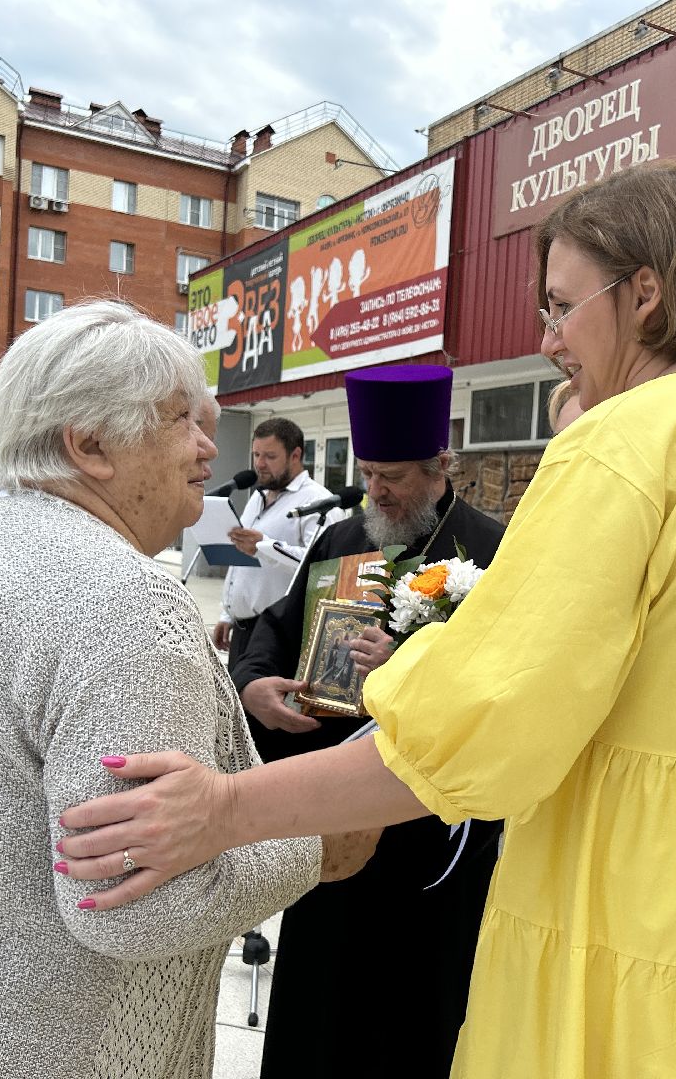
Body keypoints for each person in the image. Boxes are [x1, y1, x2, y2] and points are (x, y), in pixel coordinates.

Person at [58, 162, 676, 1077]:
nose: (550, 340)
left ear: (645, 292)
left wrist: (224, 807)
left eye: (560, 306)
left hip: (652, 914)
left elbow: (473, 735)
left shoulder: (629, 444)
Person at [0, 301, 377, 1079]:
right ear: (90, 445)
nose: (208, 450)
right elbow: (136, 906)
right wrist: (319, 843)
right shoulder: (122, 599)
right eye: (179, 421)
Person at [229, 364, 507, 1079]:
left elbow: (509, 680)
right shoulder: (340, 539)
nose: (376, 491)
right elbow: (273, 631)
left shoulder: (495, 551)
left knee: (418, 1022)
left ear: (440, 465)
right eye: (368, 473)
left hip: (431, 844)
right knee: (322, 1018)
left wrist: (411, 662)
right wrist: (256, 685)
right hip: (334, 829)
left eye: (393, 477)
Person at [213, 417, 344, 669]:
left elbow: (320, 568)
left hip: (276, 634)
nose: (260, 464)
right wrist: (227, 612)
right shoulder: (256, 498)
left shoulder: (318, 502)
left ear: (295, 455)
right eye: (256, 454)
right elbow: (241, 560)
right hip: (242, 628)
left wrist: (264, 546)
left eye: (270, 456)